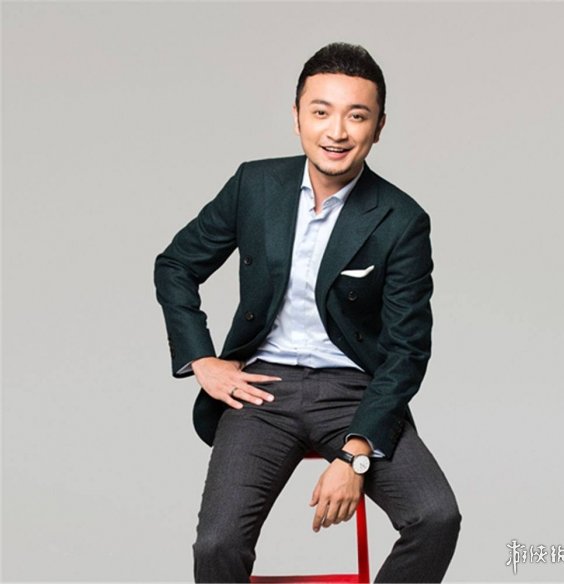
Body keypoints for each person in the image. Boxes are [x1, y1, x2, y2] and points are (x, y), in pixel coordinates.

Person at [154, 42, 462, 583]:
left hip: (355, 393)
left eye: (356, 115)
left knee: (436, 518)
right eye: (321, 112)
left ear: (379, 126)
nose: (336, 131)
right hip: (261, 391)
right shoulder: (255, 185)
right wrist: (201, 359)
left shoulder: (401, 219)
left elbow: (407, 350)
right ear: (297, 116)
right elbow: (176, 264)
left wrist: (356, 455)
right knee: (217, 545)